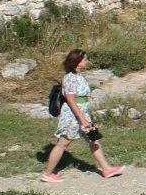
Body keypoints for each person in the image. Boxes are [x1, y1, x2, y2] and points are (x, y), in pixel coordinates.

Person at [41, 48, 123, 182]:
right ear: (77, 61)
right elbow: (71, 100)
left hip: (82, 113)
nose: (87, 61)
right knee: (63, 143)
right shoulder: (70, 78)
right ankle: (48, 173)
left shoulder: (78, 76)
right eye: (85, 59)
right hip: (73, 115)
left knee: (93, 139)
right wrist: (82, 119)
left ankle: (106, 169)